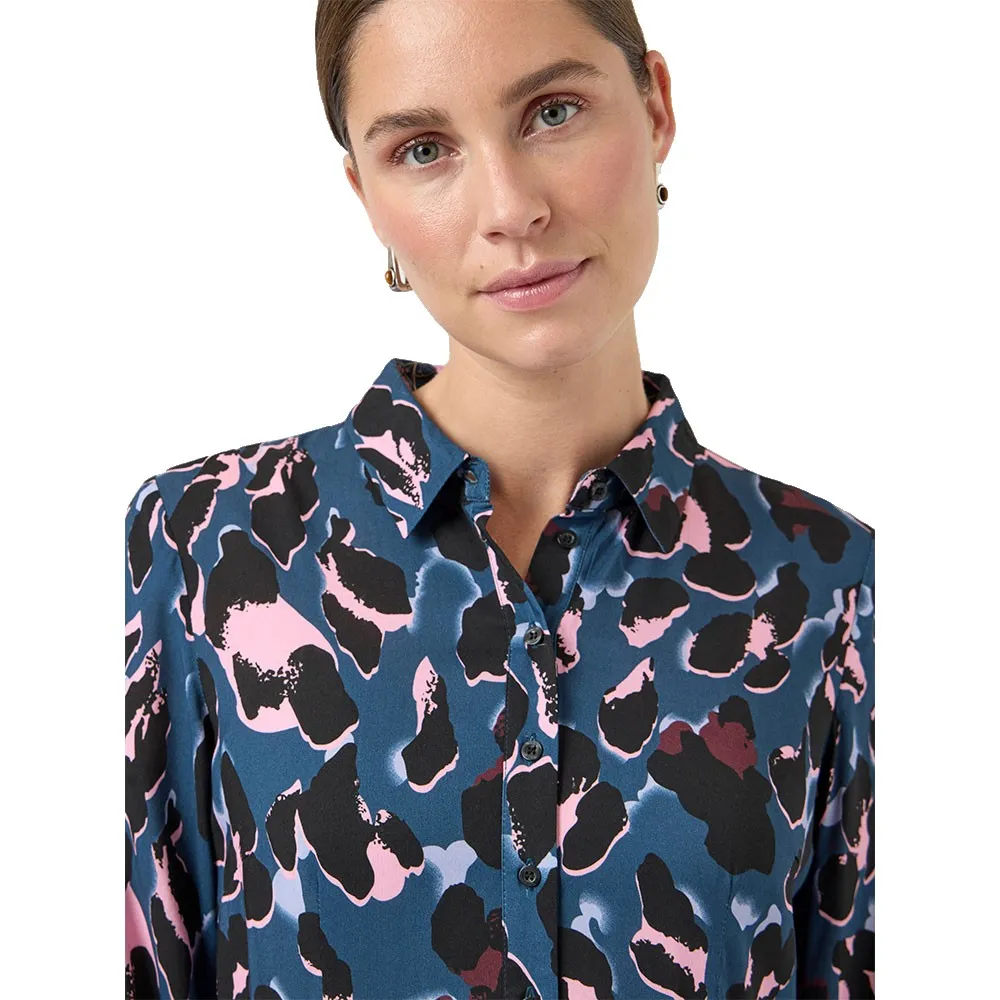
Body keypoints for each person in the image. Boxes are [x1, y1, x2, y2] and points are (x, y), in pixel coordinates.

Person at [125, 1, 875, 997]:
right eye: (424, 150)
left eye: (552, 112)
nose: (510, 208)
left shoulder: (831, 584)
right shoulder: (200, 547)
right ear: (365, 191)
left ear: (655, 107)